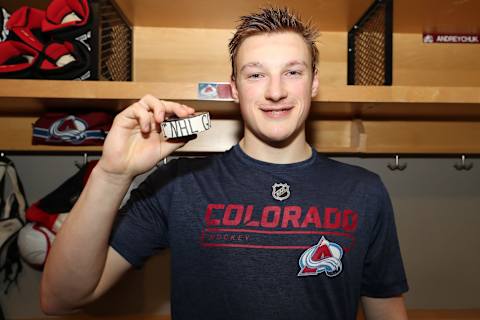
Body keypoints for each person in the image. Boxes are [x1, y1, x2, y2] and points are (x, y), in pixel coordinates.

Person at [41, 7, 409, 320]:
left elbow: (386, 309)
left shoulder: (364, 190)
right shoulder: (179, 185)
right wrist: (111, 174)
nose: (275, 90)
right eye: (255, 74)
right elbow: (61, 298)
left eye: (293, 72)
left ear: (314, 83)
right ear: (234, 88)